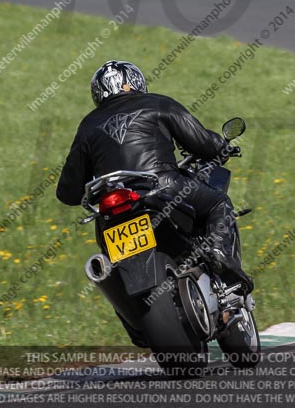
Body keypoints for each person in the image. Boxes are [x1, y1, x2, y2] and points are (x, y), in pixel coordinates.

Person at [56, 60, 253, 293]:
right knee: (219, 203)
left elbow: (67, 192)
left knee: (111, 266)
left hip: (112, 208)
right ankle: (218, 252)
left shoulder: (87, 125)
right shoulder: (158, 103)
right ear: (136, 82)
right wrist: (222, 146)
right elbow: (202, 142)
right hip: (163, 186)